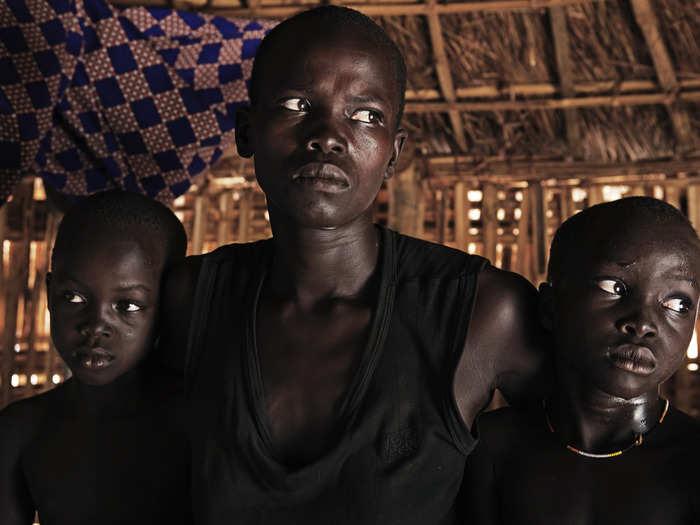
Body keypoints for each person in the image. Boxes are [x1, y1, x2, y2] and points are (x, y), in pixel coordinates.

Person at [160, 6, 549, 523]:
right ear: (246, 133)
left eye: (366, 115)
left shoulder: (481, 312)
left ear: (393, 152)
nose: (328, 135)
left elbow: (589, 452)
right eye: (298, 103)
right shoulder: (190, 301)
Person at [461, 196, 700, 524]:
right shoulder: (490, 449)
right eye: (614, 287)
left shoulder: (691, 463)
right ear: (549, 307)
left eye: (677, 304)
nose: (643, 324)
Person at [0, 190, 192, 525]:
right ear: (49, 294)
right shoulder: (23, 430)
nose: (96, 327)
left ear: (169, 304)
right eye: (73, 297)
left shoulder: (201, 426)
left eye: (127, 305)